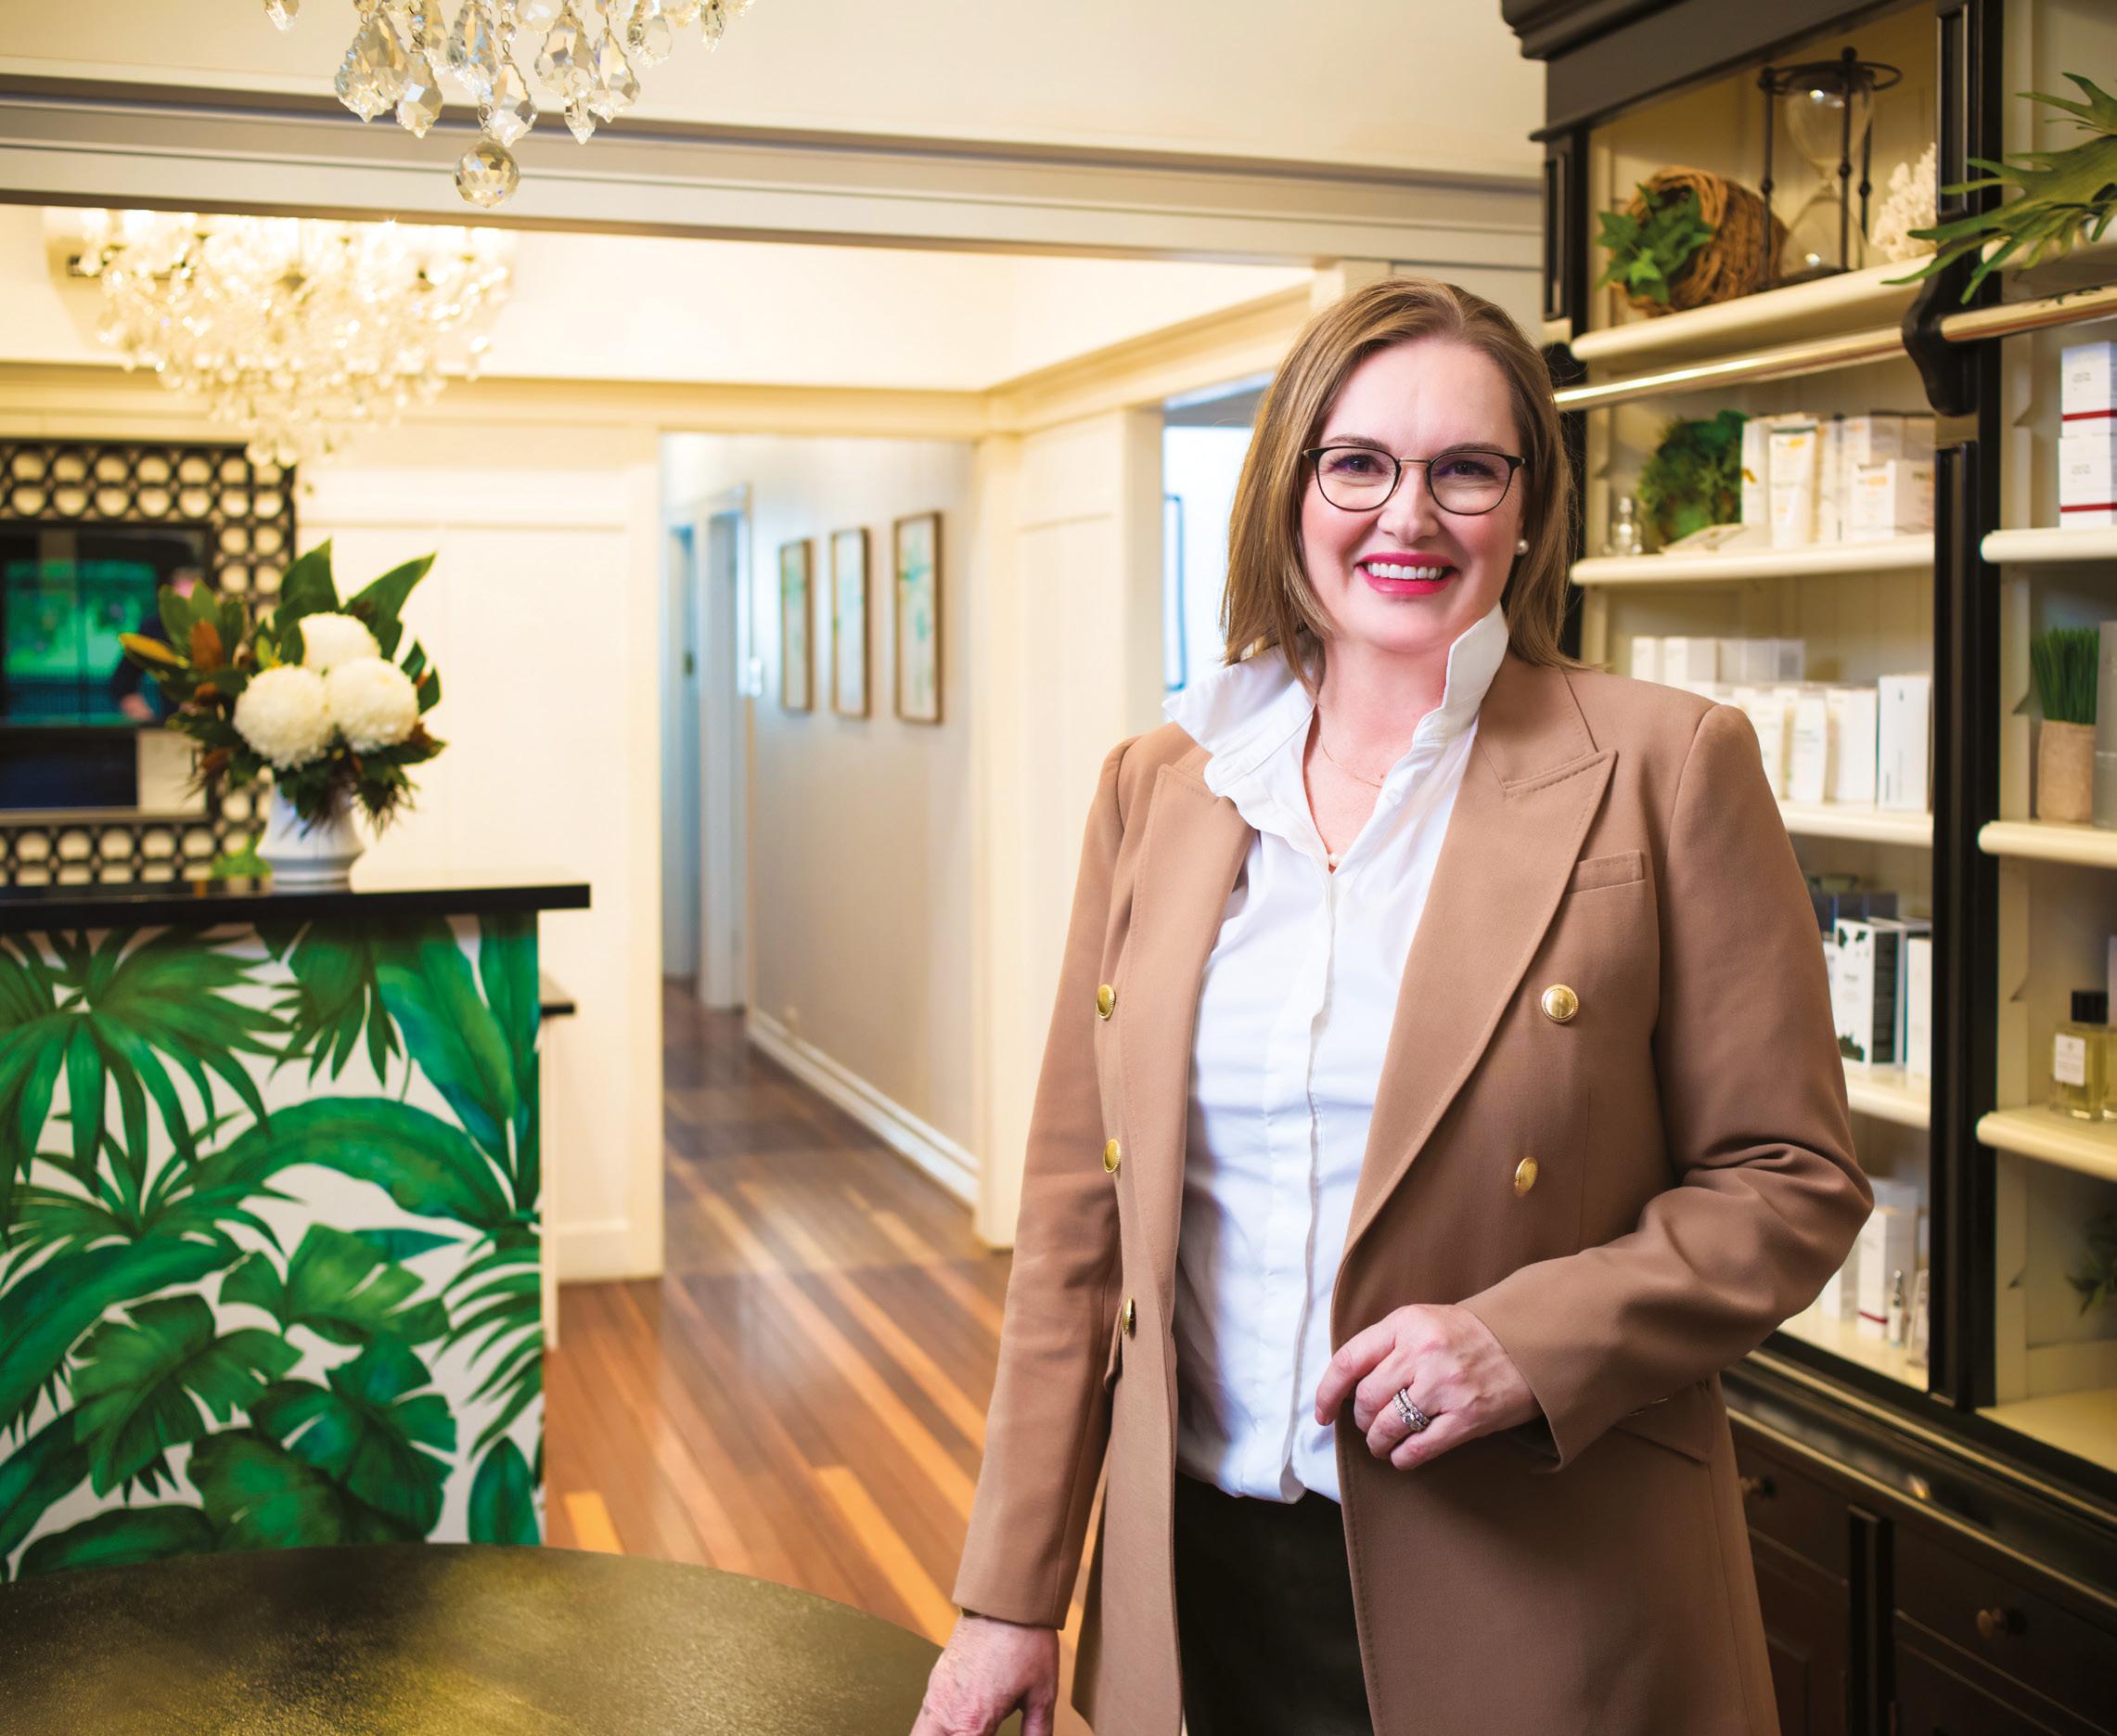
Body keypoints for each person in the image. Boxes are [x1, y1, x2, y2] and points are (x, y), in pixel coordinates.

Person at [909, 276, 1871, 1736]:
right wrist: (1009, 1595)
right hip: (1200, 1583)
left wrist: (1527, 1341)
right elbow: (1075, 1230)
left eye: (1465, 469)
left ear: (1528, 508)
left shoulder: (1666, 765)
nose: (1406, 516)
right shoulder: (1160, 786)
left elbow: (1789, 1180)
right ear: (1288, 489)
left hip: (1536, 1588)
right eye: (1355, 463)